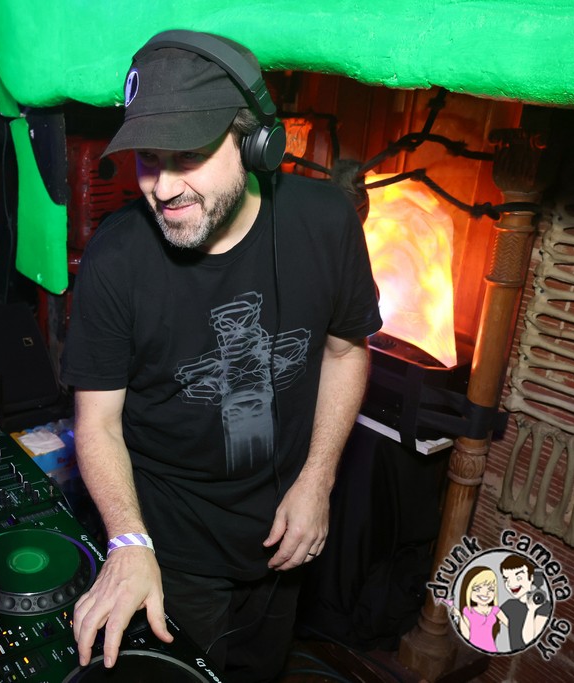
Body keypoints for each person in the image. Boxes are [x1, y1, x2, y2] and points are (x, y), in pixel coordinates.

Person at [60, 30, 382, 681]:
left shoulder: (327, 224)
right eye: (149, 158)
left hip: (284, 535)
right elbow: (97, 423)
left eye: (188, 155)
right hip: (166, 546)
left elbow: (347, 352)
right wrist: (129, 539)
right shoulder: (116, 258)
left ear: (257, 142)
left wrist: (317, 480)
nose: (163, 187)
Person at [499, 555, 551, 651]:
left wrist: (531, 610)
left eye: (518, 577)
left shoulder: (543, 606)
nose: (511, 584)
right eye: (506, 579)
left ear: (531, 578)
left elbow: (528, 640)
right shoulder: (509, 605)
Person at [450, 566, 507, 652]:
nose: (485, 593)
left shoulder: (495, 610)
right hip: (472, 650)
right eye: (477, 589)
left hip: (491, 649)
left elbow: (511, 625)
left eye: (491, 589)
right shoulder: (468, 611)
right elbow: (467, 635)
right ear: (468, 590)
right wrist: (459, 616)